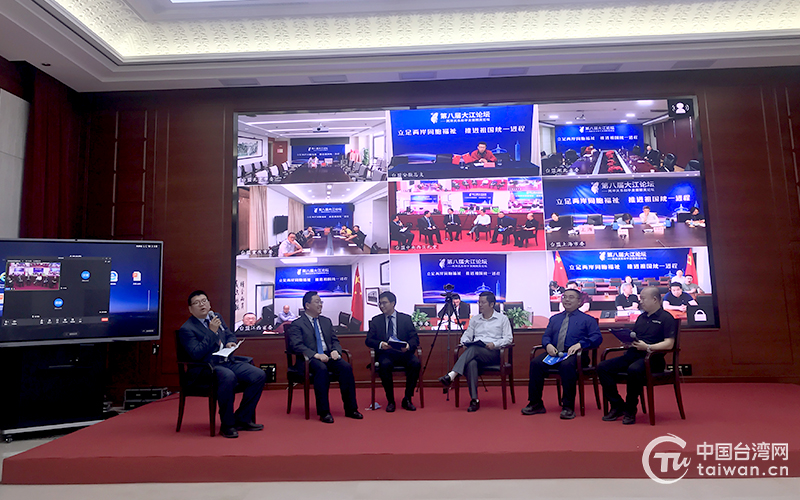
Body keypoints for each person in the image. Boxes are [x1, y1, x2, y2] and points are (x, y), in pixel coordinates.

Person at [178, 291, 266, 438]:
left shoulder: (216, 316)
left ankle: (242, 418)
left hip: (226, 361)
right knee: (228, 376)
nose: (202, 305)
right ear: (190, 309)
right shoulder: (187, 329)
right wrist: (211, 332)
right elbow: (196, 354)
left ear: (209, 303)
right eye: (197, 303)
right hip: (205, 369)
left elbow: (230, 334)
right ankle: (227, 424)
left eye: (204, 301)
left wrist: (230, 342)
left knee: (258, 374)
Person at [597, 286, 677, 425]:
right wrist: (628, 342)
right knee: (603, 367)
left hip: (653, 359)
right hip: (633, 354)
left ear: (654, 299)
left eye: (644, 299)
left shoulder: (666, 318)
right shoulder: (641, 317)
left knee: (634, 369)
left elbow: (669, 344)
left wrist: (648, 347)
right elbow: (636, 337)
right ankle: (617, 405)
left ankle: (630, 410)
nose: (641, 302)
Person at [522, 288, 602, 419]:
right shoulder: (555, 319)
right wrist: (547, 345)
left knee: (566, 365)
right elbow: (546, 336)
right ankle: (535, 403)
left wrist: (580, 344)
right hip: (555, 354)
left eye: (571, 297)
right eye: (565, 297)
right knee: (536, 363)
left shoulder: (588, 320)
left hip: (576, 356)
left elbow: (597, 338)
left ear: (579, 302)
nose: (567, 300)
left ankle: (568, 407)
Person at [286, 291, 362, 423]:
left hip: (327, 356)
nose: (320, 304)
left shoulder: (326, 321)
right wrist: (315, 355)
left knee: (345, 367)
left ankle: (351, 409)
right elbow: (296, 345)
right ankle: (324, 412)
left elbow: (335, 340)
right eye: (317, 302)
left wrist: (336, 351)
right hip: (308, 360)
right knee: (321, 369)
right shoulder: (297, 324)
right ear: (307, 305)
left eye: (321, 302)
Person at [438, 292, 513, 412]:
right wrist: (465, 342)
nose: (480, 305)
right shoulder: (475, 319)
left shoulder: (502, 319)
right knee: (471, 362)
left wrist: (494, 344)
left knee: (473, 350)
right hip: (476, 352)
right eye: (479, 302)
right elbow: (466, 336)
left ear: (491, 304)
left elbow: (508, 339)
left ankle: (452, 375)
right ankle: (474, 400)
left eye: (483, 302)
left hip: (494, 354)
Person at [365, 291, 421, 412]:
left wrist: (408, 345)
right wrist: (381, 344)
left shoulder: (405, 319)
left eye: (384, 303)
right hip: (386, 354)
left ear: (393, 303)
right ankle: (390, 400)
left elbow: (415, 338)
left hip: (403, 353)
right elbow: (368, 340)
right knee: (385, 365)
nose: (381, 306)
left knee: (415, 363)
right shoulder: (376, 320)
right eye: (380, 303)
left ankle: (407, 398)